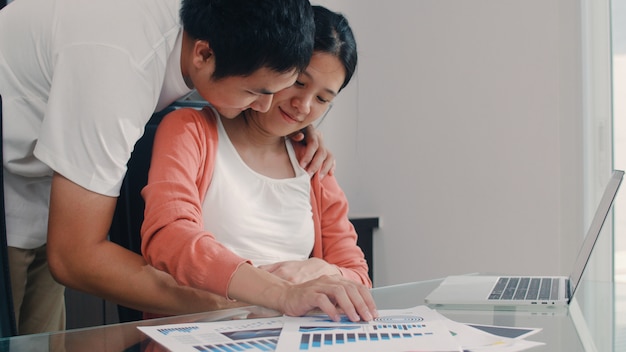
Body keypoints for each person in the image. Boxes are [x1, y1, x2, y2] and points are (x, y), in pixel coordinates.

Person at [0, 0, 336, 334]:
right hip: (16, 186)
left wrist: (290, 126)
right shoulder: (119, 67)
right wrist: (249, 301)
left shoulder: (201, 30)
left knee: (40, 338)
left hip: (45, 191)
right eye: (255, 92)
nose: (265, 106)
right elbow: (74, 257)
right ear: (203, 55)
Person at [141, 6, 377, 323]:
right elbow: (171, 237)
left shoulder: (313, 162)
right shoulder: (190, 130)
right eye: (299, 83)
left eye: (323, 99)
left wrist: (322, 270)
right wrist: (275, 291)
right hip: (203, 334)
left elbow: (358, 277)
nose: (304, 106)